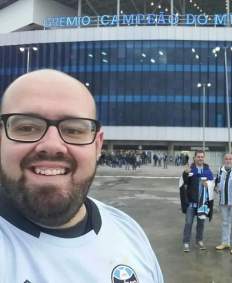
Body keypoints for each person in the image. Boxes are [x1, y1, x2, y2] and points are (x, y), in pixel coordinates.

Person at [0, 69, 163, 282]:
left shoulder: (129, 232)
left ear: (97, 146)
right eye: (27, 127)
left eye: (74, 130)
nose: (52, 145)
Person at [179, 150, 214, 252]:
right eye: (198, 157)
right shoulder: (190, 170)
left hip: (202, 203)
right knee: (188, 223)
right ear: (194, 158)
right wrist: (185, 174)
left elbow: (212, 183)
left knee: (201, 224)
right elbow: (184, 183)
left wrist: (208, 184)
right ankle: (186, 242)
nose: (200, 158)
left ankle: (199, 241)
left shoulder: (207, 170)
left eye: (202, 157)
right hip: (191, 202)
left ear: (204, 158)